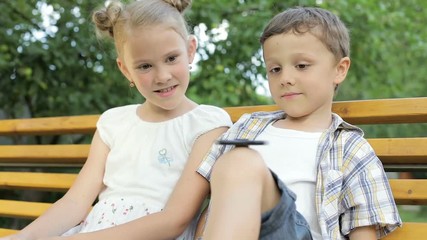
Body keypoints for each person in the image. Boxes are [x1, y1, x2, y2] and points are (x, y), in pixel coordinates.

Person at [0, 0, 231, 239]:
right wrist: (22, 237)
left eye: (171, 58)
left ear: (190, 49)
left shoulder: (207, 125)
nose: (162, 76)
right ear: (125, 69)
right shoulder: (114, 123)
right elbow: (76, 202)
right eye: (144, 66)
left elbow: (174, 220)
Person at [195, 6, 402, 240]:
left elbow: (362, 233)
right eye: (275, 69)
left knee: (242, 161)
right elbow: (213, 210)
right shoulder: (247, 127)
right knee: (237, 161)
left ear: (339, 69)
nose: (285, 79)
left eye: (301, 66)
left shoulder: (350, 148)